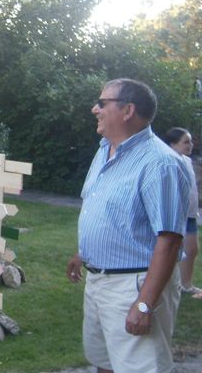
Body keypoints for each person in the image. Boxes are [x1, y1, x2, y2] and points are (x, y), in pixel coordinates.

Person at [66, 78, 190, 373]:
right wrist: (83, 252)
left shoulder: (160, 164)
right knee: (104, 363)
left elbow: (170, 240)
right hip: (98, 281)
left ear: (127, 110)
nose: (94, 109)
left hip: (133, 285)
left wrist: (144, 304)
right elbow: (106, 210)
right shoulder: (105, 150)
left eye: (102, 103)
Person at [164, 127, 201, 298]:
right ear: (173, 144)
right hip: (177, 216)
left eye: (190, 141)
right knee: (172, 252)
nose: (190, 145)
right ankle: (170, 285)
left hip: (190, 215)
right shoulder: (168, 161)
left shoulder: (186, 160)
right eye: (186, 142)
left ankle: (186, 286)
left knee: (192, 250)